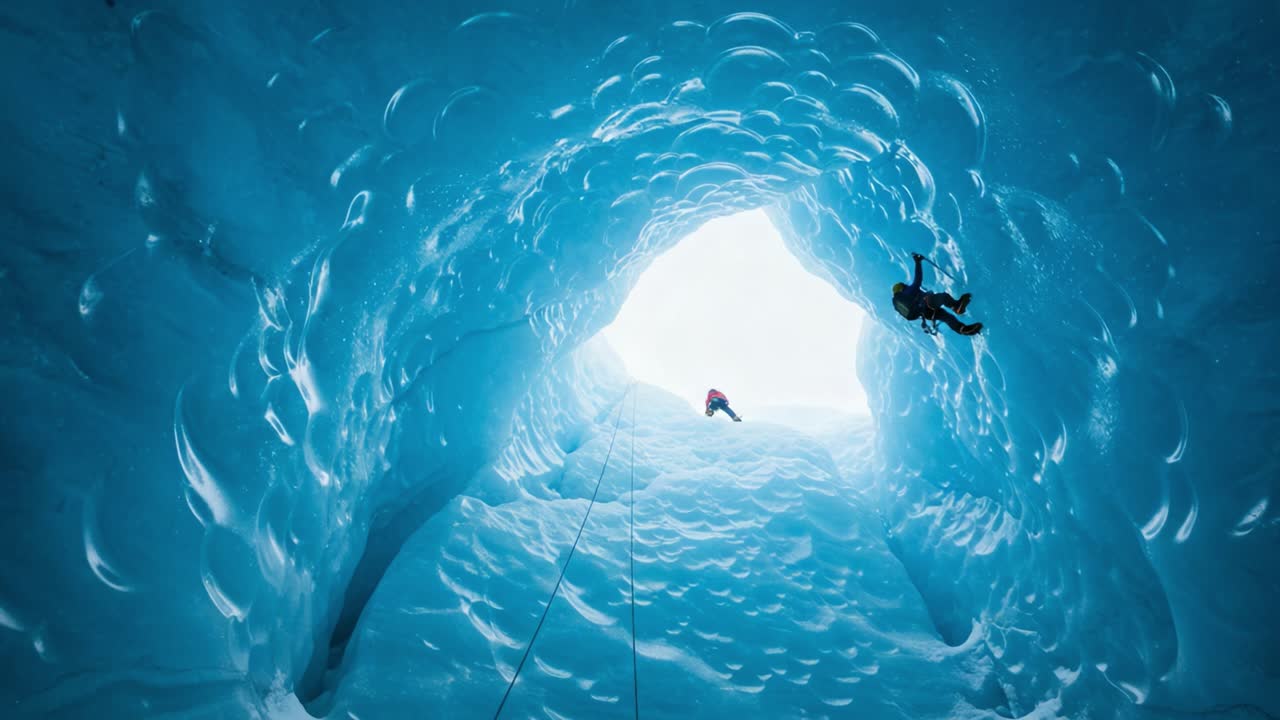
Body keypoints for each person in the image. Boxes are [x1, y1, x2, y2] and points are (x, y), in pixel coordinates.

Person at [892, 253, 983, 336]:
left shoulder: (903, 300)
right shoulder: (907, 291)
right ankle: (956, 306)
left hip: (926, 314)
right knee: (944, 297)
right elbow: (917, 281)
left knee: (947, 317)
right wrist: (918, 262)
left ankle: (962, 329)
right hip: (927, 304)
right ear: (901, 287)